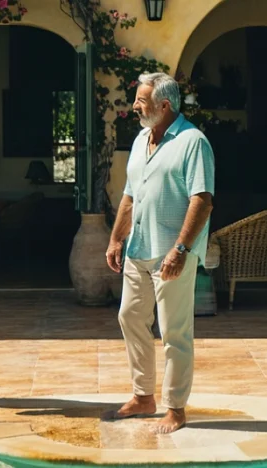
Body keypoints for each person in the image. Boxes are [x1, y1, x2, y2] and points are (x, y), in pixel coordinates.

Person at [104, 72, 215, 433]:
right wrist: (116, 238)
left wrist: (181, 249)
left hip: (172, 252)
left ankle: (175, 407)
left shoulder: (192, 142)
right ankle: (142, 396)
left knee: (174, 331)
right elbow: (130, 195)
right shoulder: (139, 140)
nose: (135, 106)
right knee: (131, 317)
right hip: (139, 247)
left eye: (142, 100)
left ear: (164, 106)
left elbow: (202, 200)